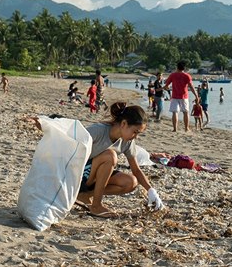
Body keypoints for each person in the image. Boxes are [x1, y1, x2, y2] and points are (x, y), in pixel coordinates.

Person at [29, 102, 165, 218]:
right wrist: (45, 124)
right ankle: (96, 205)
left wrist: (151, 191)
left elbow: (136, 169)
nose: (136, 137)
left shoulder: (127, 142)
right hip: (76, 175)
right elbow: (69, 139)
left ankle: (84, 195)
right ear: (124, 123)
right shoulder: (98, 131)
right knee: (110, 156)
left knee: (130, 182)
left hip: (92, 177)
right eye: (135, 132)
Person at [163, 61, 199, 132]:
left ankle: (175, 129)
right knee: (185, 112)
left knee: (175, 112)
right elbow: (191, 87)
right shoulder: (187, 76)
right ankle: (186, 128)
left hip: (175, 96)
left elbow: (166, 85)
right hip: (184, 96)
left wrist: (168, 89)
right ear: (184, 68)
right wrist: (196, 95)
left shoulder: (173, 75)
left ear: (177, 67)